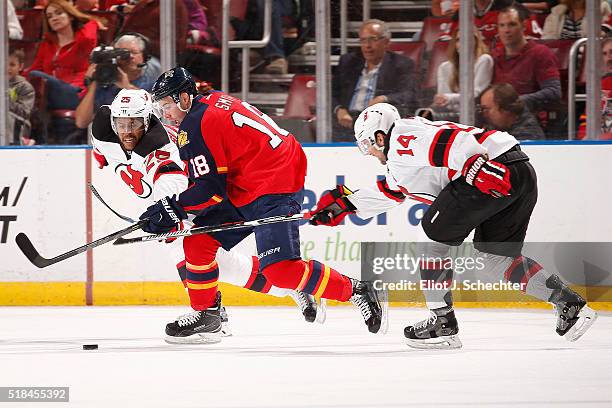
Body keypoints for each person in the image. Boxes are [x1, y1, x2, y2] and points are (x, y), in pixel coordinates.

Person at [310, 102, 597, 349]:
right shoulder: (401, 161)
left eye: (367, 145)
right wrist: (344, 204)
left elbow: (450, 141)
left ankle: (442, 322)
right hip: (518, 170)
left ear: (380, 136)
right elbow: (392, 193)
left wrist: (476, 167)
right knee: (497, 258)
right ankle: (569, 304)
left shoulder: (402, 137)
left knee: (430, 239)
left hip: (489, 171)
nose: (369, 153)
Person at [143, 67, 387, 344]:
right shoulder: (209, 102)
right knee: (198, 242)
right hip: (252, 178)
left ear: (184, 98)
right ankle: (207, 315)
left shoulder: (194, 125)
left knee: (281, 270)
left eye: (167, 106)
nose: (166, 114)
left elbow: (210, 191)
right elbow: (214, 182)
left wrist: (173, 207)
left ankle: (356, 290)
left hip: (274, 182)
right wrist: (175, 207)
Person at [91, 89, 325, 339]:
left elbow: (188, 197)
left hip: (194, 195)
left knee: (190, 252)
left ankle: (210, 315)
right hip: (167, 198)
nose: (127, 130)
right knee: (218, 263)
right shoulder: (104, 129)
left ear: (148, 121)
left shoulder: (165, 158)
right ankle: (286, 288)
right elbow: (106, 148)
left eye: (135, 123)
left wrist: (165, 217)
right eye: (121, 123)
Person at [332, 19, 419, 141]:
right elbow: (330, 93)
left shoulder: (401, 64)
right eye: (363, 40)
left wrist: (384, 99)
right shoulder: (348, 61)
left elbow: (410, 94)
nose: (367, 45)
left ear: (387, 42)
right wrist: (338, 109)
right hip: (346, 121)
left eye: (373, 39)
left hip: (378, 124)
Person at [24, 0, 101, 110]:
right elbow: (36, 67)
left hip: (76, 91)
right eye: (49, 16)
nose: (54, 18)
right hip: (51, 92)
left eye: (59, 13)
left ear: (70, 16)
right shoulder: (47, 43)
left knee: (36, 76)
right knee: (30, 78)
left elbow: (90, 28)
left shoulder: (84, 40)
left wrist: (94, 22)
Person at [75, 33, 162, 129]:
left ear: (145, 56)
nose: (129, 57)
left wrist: (128, 87)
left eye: (133, 52)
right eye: (123, 53)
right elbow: (81, 122)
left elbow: (162, 108)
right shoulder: (105, 77)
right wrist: (93, 82)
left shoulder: (155, 71)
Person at [492, 4, 562, 112]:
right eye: (502, 25)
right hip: (497, 117)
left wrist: (515, 102)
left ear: (524, 25)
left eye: (512, 24)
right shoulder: (494, 56)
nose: (506, 30)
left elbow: (553, 91)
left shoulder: (540, 53)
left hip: (528, 117)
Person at [419, 28, 493, 122]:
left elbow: (475, 94)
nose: (463, 44)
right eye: (458, 40)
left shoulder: (484, 60)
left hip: (476, 114)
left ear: (476, 42)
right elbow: (444, 99)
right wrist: (444, 99)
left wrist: (448, 98)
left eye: (467, 39)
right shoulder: (444, 67)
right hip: (451, 114)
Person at [479, 83, 545, 139]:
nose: (484, 114)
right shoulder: (496, 127)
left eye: (486, 109)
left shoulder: (527, 136)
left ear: (505, 109)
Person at [7, 48, 36, 145]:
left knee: (7, 116)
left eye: (12, 65)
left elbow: (24, 112)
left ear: (20, 66)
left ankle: (22, 141)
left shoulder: (25, 87)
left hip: (20, 124)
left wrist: (5, 100)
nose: (7, 68)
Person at [542, 0, 610, 39]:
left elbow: (604, 38)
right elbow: (547, 41)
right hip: (562, 60)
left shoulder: (601, 9)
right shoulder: (556, 12)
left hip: (590, 59)